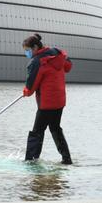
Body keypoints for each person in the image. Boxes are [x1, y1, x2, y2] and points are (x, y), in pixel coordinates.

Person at [21, 33, 73, 164]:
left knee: (37, 131)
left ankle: (31, 161)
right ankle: (66, 159)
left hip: (46, 104)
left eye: (27, 50)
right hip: (59, 101)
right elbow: (68, 67)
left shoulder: (37, 62)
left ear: (35, 47)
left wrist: (26, 92)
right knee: (55, 128)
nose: (27, 53)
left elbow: (31, 87)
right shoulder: (58, 53)